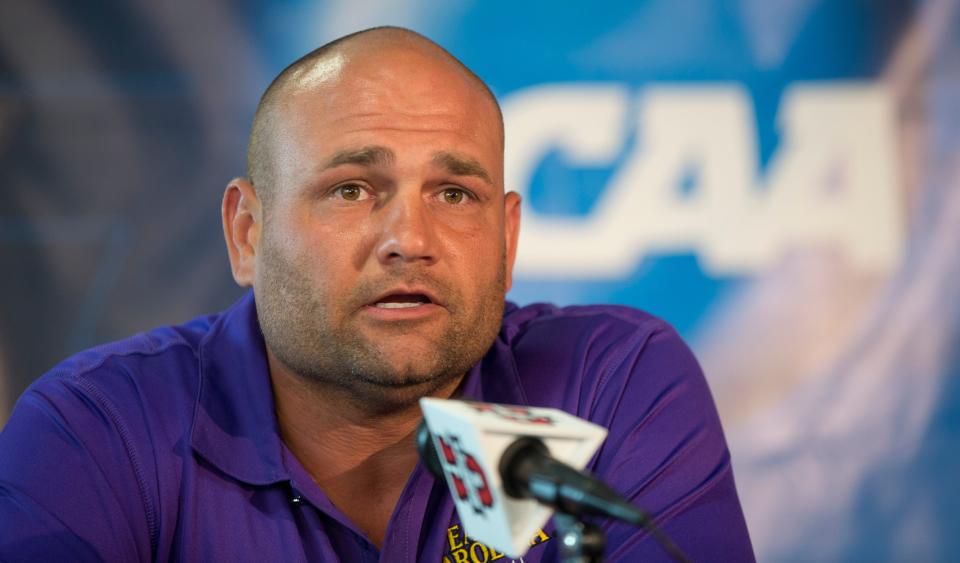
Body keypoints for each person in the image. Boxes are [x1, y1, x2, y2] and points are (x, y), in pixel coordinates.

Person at [0, 27, 754, 562]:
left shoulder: (609, 382)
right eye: (353, 189)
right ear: (246, 233)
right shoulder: (97, 428)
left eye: (455, 194)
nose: (411, 238)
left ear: (509, 237)